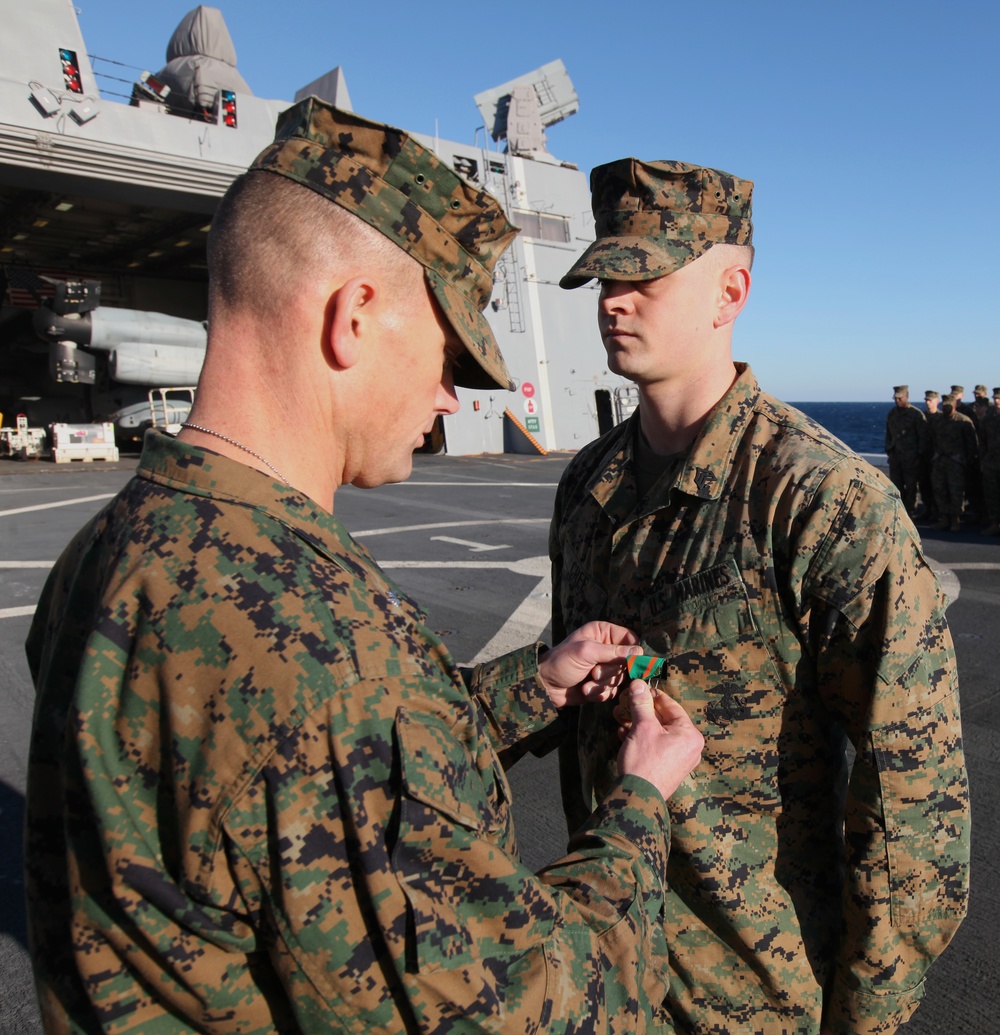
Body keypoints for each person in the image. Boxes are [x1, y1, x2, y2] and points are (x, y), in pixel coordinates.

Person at [24, 104, 706, 1034]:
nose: (445, 397)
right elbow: (525, 1007)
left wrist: (530, 688)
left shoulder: (114, 550)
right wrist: (639, 803)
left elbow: (283, 788)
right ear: (353, 316)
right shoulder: (323, 644)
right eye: (447, 354)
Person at [549, 158, 970, 1034]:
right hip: (599, 974)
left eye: (645, 276)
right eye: (604, 278)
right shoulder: (589, 485)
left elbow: (912, 800)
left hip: (755, 996)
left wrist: (869, 1017)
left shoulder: (823, 500)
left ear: (729, 289)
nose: (612, 300)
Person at [930, 393, 979, 532]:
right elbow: (932, 439)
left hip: (956, 462)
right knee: (940, 490)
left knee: (956, 492)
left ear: (955, 405)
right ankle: (944, 518)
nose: (946, 408)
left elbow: (972, 444)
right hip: (940, 460)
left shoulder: (963, 421)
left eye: (949, 406)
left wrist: (968, 461)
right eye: (944, 405)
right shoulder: (938, 421)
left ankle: (955, 520)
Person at [884, 384, 924, 516]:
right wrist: (889, 450)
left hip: (911, 457)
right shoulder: (892, 414)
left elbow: (922, 437)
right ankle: (899, 511)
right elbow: (888, 434)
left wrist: (919, 455)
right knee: (896, 485)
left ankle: (910, 511)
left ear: (906, 396)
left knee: (911, 486)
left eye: (900, 398)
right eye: (895, 398)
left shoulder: (916, 415)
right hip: (896, 456)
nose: (897, 401)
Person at [977, 389, 1000, 535]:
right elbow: (982, 441)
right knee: (992, 494)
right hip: (992, 463)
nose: (997, 401)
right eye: (995, 398)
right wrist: (984, 460)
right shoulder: (988, 419)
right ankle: (995, 523)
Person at [917, 389, 941, 523]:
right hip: (924, 457)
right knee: (924, 485)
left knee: (937, 487)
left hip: (937, 458)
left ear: (936, 401)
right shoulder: (921, 417)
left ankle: (938, 512)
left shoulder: (941, 418)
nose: (928, 403)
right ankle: (927, 510)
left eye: (930, 400)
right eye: (926, 400)